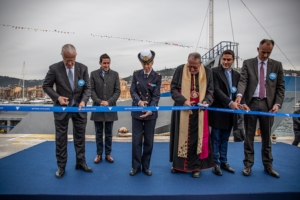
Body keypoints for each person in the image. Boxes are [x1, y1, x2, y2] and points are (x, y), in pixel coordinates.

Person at [235, 39, 285, 178]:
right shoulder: (248, 63)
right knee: (249, 137)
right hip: (250, 104)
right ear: (258, 49)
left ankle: (268, 166)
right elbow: (243, 81)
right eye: (263, 52)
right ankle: (248, 165)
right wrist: (240, 96)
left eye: (269, 53)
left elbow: (280, 87)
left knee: (267, 137)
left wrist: (277, 104)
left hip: (268, 106)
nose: (265, 55)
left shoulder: (277, 65)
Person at [43, 44, 92, 178]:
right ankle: (61, 166)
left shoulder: (83, 68)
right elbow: (46, 86)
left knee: (80, 138)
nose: (70, 63)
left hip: (79, 109)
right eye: (67, 61)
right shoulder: (54, 69)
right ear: (62, 56)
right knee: (61, 139)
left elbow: (87, 88)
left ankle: (81, 163)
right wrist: (57, 97)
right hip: (61, 109)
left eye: (73, 60)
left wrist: (84, 101)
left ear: (76, 56)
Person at [169, 52, 215, 178]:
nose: (192, 69)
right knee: (180, 137)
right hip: (182, 109)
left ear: (200, 64)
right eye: (190, 66)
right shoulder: (180, 69)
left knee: (197, 138)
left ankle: (196, 167)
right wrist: (183, 100)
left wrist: (206, 101)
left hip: (199, 112)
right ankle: (179, 166)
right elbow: (173, 89)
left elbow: (211, 91)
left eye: (195, 67)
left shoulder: (208, 72)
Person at [208, 50, 242, 176]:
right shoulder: (214, 72)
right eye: (224, 59)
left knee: (225, 138)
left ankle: (224, 161)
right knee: (215, 138)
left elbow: (237, 91)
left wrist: (238, 102)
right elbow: (216, 90)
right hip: (218, 111)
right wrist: (229, 102)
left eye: (228, 60)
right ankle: (215, 163)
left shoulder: (237, 75)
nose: (226, 62)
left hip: (230, 112)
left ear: (233, 60)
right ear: (221, 59)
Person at [129, 49, 162, 176]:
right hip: (137, 112)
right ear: (141, 63)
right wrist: (139, 102)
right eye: (144, 64)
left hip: (151, 113)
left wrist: (150, 108)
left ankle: (146, 166)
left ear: (152, 62)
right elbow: (133, 91)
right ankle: (136, 166)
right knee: (136, 141)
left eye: (148, 64)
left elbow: (156, 95)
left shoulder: (157, 77)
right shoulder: (136, 74)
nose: (146, 66)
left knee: (149, 141)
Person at [90, 53, 121, 164]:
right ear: (100, 63)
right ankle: (99, 154)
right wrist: (99, 102)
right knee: (98, 133)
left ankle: (108, 154)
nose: (106, 65)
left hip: (110, 108)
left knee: (108, 133)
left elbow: (117, 91)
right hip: (97, 108)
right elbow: (91, 90)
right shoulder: (93, 74)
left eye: (108, 63)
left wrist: (109, 102)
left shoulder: (115, 74)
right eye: (104, 63)